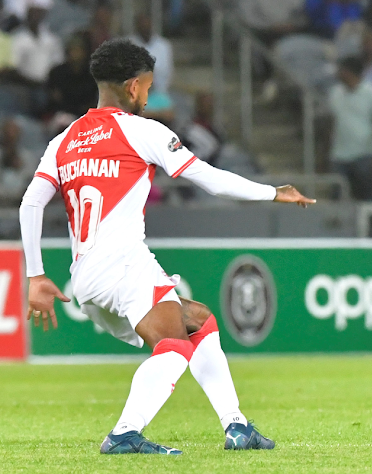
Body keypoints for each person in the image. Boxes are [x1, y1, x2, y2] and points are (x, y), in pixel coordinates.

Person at [19, 39, 315, 455]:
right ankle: (124, 433)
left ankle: (237, 426)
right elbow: (209, 178)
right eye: (148, 86)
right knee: (175, 343)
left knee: (198, 320)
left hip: (85, 278)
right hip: (123, 264)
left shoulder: (64, 141)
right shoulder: (143, 130)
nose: (147, 96)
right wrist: (272, 192)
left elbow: (31, 203)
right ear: (134, 86)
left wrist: (34, 275)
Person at [328, 55, 372, 200]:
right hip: (339, 155)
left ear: (348, 72)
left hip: (365, 154)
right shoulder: (335, 93)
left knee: (365, 197)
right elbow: (332, 122)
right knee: (337, 198)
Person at [46, 33, 98, 133]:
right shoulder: (57, 72)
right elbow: (55, 99)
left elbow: (92, 101)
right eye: (72, 50)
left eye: (78, 50)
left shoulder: (91, 75)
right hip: (60, 115)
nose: (75, 54)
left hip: (85, 117)